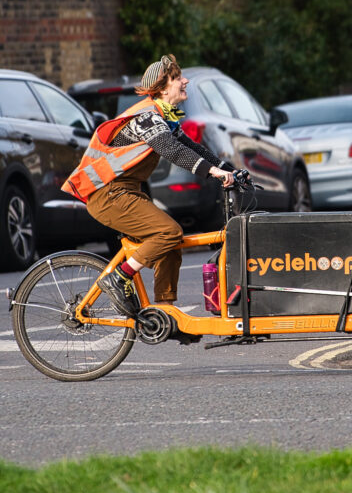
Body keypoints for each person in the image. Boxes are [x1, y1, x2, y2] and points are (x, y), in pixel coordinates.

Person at [62, 54, 235, 317]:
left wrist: (229, 170)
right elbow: (172, 150)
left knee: (170, 245)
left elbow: (191, 147)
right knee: (168, 233)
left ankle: (165, 313)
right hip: (108, 195)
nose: (185, 81)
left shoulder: (163, 117)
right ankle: (119, 279)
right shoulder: (146, 117)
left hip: (125, 193)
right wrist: (212, 171)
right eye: (178, 78)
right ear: (163, 88)